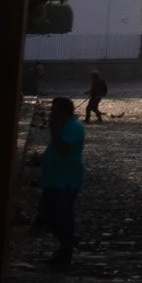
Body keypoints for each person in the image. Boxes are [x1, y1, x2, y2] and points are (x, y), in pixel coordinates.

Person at [37, 97, 85, 267]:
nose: (52, 113)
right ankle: (67, 242)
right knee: (48, 213)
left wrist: (54, 130)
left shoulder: (73, 127)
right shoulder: (65, 125)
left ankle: (66, 249)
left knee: (62, 215)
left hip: (66, 180)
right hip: (55, 179)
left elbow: (63, 148)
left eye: (55, 110)